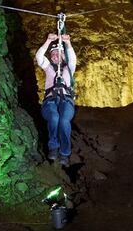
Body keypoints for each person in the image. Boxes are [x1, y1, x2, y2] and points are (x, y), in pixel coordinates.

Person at [37, 33, 77, 167]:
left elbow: (72, 59)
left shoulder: (69, 69)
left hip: (66, 101)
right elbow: (39, 57)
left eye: (57, 53)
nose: (55, 56)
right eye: (53, 54)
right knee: (54, 117)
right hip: (50, 102)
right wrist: (48, 41)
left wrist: (68, 43)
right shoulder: (48, 68)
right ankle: (53, 147)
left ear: (63, 55)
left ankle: (65, 153)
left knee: (64, 121)